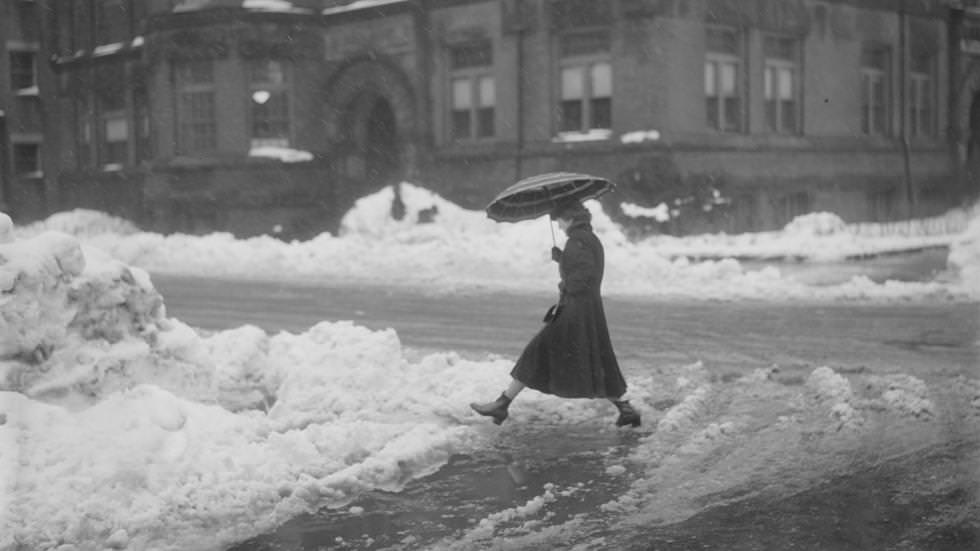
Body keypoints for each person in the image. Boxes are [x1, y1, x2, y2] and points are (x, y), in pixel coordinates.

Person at [470, 200, 640, 428]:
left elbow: (582, 279)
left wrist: (565, 281)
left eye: (559, 219)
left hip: (575, 311)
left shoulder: (577, 241)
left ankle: (502, 405)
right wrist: (563, 259)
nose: (558, 225)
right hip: (586, 311)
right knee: (593, 357)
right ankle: (625, 409)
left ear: (569, 217)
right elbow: (585, 268)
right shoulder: (588, 239)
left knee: (537, 351)